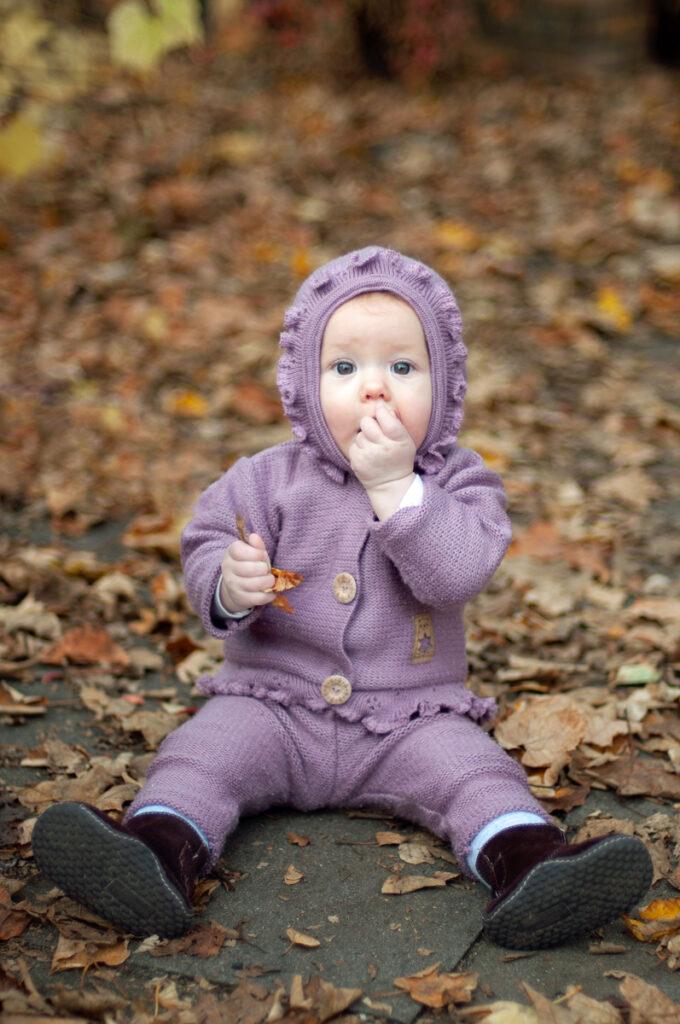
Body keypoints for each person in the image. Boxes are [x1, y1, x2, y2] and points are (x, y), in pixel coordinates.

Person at [33, 246, 652, 949]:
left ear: (444, 387)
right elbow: (206, 540)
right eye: (345, 368)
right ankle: (156, 851)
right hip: (272, 702)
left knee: (475, 771)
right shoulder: (264, 480)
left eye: (403, 367)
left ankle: (530, 864)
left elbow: (458, 573)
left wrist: (398, 492)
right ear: (303, 384)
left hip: (408, 718)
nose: (374, 389)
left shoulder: (459, 483)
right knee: (203, 754)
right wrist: (229, 586)